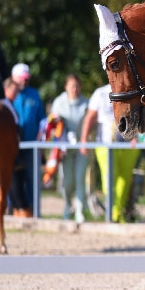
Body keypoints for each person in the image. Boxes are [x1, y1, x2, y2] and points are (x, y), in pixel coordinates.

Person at [81, 83, 139, 222]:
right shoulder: (100, 93)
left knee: (124, 180)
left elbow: (139, 114)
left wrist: (137, 136)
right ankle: (112, 212)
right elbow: (91, 117)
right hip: (105, 144)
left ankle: (117, 213)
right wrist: (84, 139)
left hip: (128, 143)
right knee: (109, 178)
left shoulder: (131, 91)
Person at [49, 74, 89, 223]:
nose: (75, 89)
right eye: (72, 86)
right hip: (64, 148)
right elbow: (52, 126)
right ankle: (67, 206)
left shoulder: (86, 103)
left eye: (77, 86)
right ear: (66, 87)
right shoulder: (59, 102)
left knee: (80, 179)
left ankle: (79, 211)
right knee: (67, 181)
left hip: (82, 147)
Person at [9, 63, 45, 217]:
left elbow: (42, 120)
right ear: (13, 79)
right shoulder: (8, 95)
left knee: (32, 179)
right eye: (21, 79)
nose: (24, 82)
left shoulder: (34, 94)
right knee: (11, 179)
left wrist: (41, 141)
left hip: (32, 146)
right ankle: (11, 209)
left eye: (26, 79)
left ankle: (33, 211)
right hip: (12, 147)